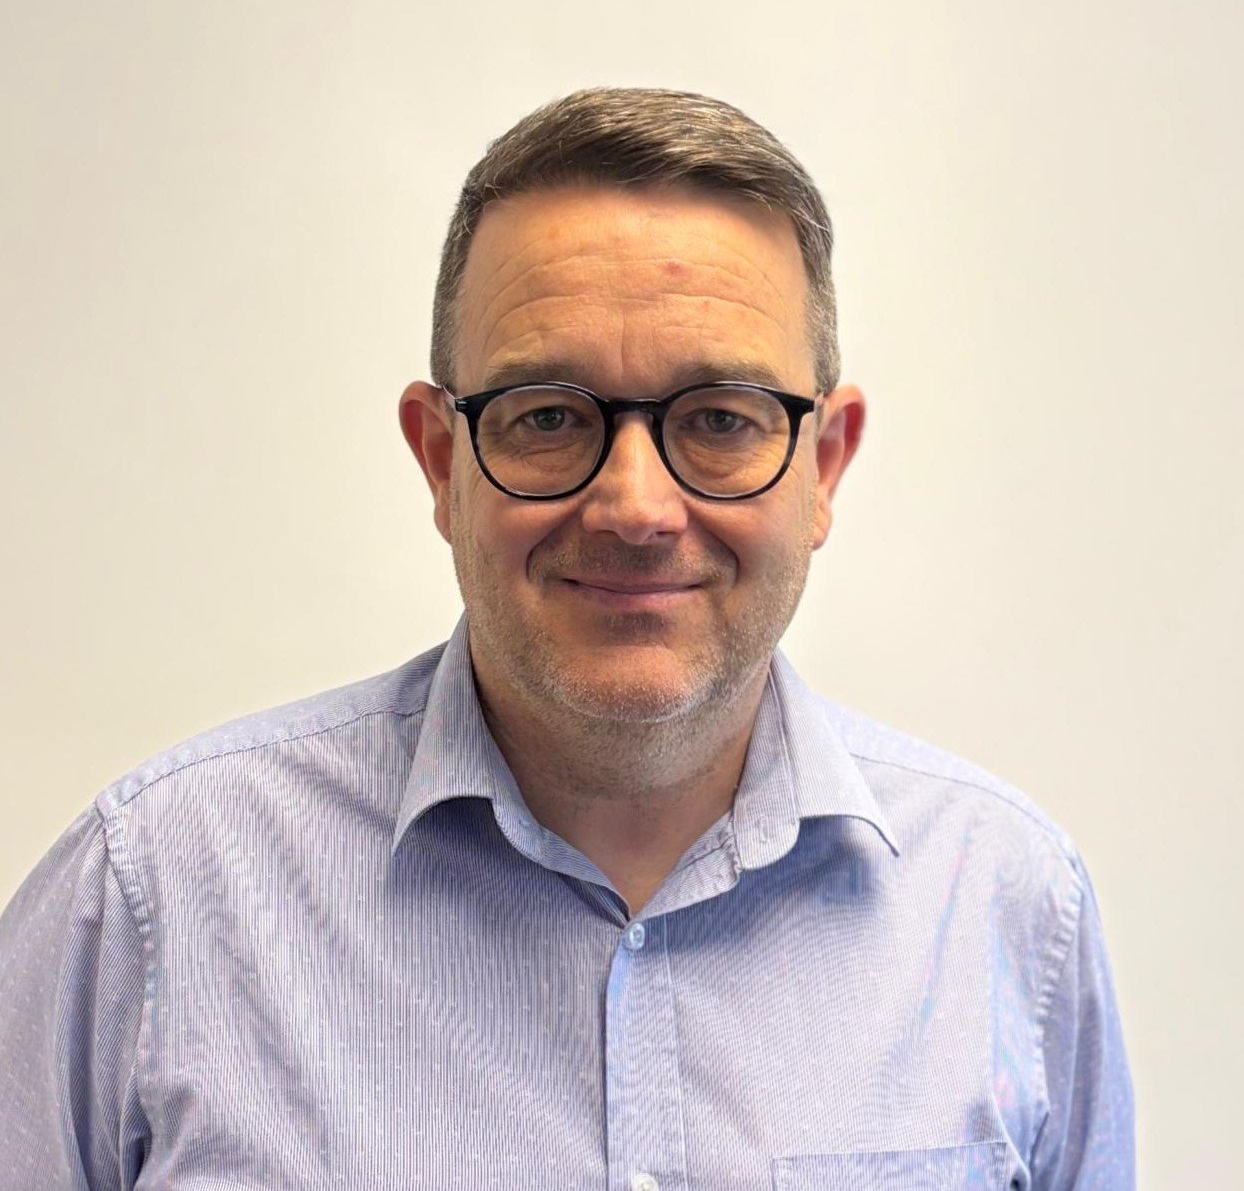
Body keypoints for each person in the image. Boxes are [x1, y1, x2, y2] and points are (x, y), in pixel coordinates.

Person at [0, 88, 1133, 1190]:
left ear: (822, 465)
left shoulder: (1006, 905)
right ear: (441, 461)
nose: (636, 507)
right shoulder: (149, 899)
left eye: (721, 419)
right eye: (547, 415)